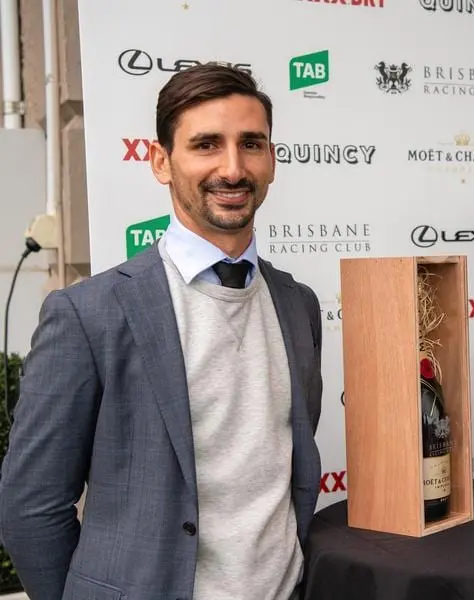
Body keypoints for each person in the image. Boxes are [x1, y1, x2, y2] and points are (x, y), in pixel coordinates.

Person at [0, 64, 323, 600]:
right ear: (161, 162)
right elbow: (31, 505)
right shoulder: (89, 314)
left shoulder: (299, 305)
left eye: (251, 144)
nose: (232, 167)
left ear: (271, 161)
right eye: (205, 145)